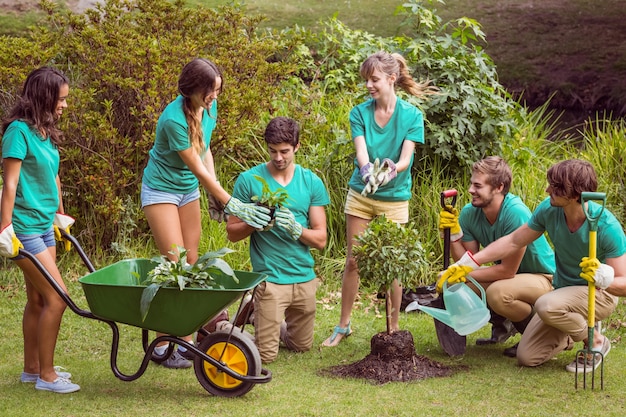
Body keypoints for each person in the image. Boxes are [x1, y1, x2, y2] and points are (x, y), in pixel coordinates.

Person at [141, 58, 271, 368]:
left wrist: (215, 193)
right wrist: (230, 202)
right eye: (210, 91)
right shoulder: (173, 120)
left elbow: (205, 150)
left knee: (191, 262)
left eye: (217, 91)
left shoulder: (208, 108)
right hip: (161, 190)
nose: (215, 97)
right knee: (174, 266)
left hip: (187, 189)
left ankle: (184, 336)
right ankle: (167, 343)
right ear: (193, 90)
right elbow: (196, 166)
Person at [438, 159, 626, 371]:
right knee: (527, 357)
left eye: (555, 188)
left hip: (597, 293)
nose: (547, 190)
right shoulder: (549, 209)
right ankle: (572, 327)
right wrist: (467, 264)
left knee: (546, 305)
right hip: (562, 290)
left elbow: (623, 283)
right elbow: (513, 241)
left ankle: (596, 340)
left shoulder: (605, 226)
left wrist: (604, 277)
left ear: (574, 195)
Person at [322, 51, 437, 347]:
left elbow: (405, 159)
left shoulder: (411, 116)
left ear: (391, 79)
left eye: (374, 80)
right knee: (353, 262)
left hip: (394, 197)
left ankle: (394, 328)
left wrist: (389, 170)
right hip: (361, 195)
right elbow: (361, 151)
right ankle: (343, 325)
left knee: (393, 264)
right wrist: (365, 170)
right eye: (366, 80)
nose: (368, 86)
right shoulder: (359, 113)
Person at [0, 67, 80, 393]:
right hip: (24, 228)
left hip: (45, 225)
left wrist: (59, 215)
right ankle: (48, 377)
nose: (63, 105)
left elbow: (54, 177)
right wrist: (5, 228)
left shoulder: (45, 131)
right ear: (44, 97)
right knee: (58, 298)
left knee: (36, 299)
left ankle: (32, 369)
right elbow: (10, 182)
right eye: (60, 99)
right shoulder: (18, 132)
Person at [226, 116, 329, 363]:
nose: (278, 157)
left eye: (284, 151)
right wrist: (254, 221)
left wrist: (297, 229)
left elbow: (321, 239)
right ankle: (222, 329)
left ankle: (254, 313)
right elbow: (232, 233)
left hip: (304, 277)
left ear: (297, 147)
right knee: (265, 356)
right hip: (271, 279)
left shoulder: (310, 182)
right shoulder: (249, 181)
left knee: (301, 346)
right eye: (272, 151)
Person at [437, 156, 555, 357]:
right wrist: (453, 236)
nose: (470, 190)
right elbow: (468, 261)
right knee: (453, 284)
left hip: (544, 278)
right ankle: (503, 325)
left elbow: (507, 271)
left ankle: (540, 335)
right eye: (471, 184)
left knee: (498, 293)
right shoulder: (470, 212)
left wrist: (461, 274)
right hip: (511, 279)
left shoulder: (515, 213)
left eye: (477, 185)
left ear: (499, 187)